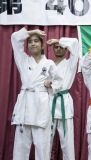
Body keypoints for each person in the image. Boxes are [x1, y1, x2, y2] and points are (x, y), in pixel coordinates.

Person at [11, 28, 62, 160]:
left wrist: (50, 84)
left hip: (41, 106)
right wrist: (31, 32)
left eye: (36, 41)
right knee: (21, 146)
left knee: (42, 146)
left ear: (42, 45)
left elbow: (59, 81)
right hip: (25, 105)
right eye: (30, 42)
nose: (33, 44)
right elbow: (15, 38)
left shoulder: (49, 63)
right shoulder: (23, 60)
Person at [46, 38, 79, 160]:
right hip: (49, 101)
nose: (58, 48)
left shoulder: (71, 63)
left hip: (64, 102)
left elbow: (75, 43)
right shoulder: (48, 64)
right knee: (45, 140)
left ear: (66, 49)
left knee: (67, 142)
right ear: (52, 49)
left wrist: (58, 40)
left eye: (61, 46)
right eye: (56, 47)